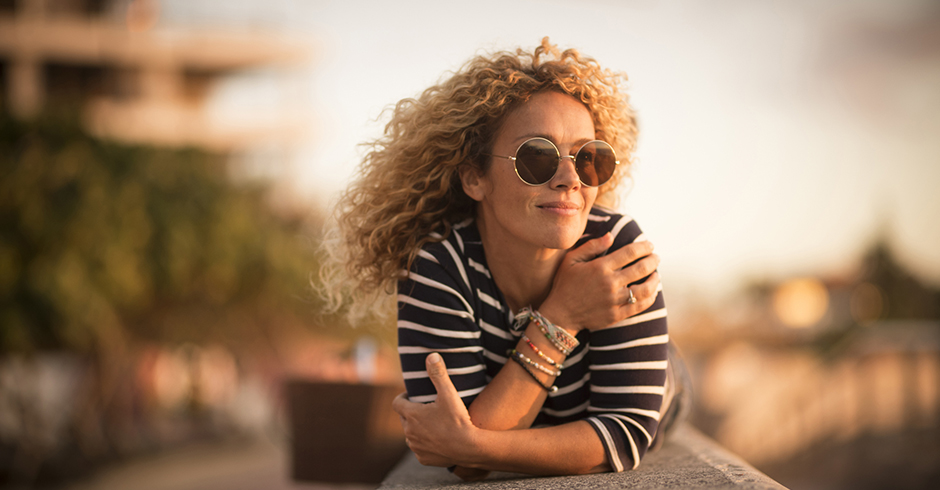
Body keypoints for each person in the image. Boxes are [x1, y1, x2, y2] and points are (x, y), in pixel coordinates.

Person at [322, 38, 685, 480]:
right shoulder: (437, 268)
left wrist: (475, 445)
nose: (570, 179)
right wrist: (562, 317)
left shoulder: (616, 248)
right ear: (475, 178)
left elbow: (623, 436)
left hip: (668, 390)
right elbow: (464, 465)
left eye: (588, 158)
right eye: (538, 157)